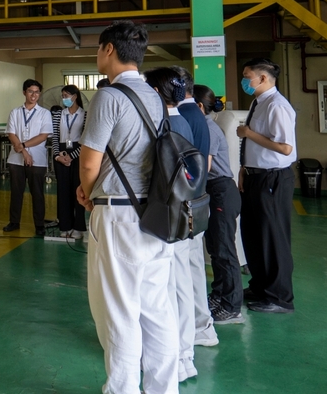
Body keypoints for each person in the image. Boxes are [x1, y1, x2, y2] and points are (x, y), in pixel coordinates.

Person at [77, 21, 179, 394]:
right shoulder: (155, 96)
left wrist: (88, 194)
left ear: (108, 50)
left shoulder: (109, 97)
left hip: (118, 214)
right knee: (156, 310)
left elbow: (89, 163)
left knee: (118, 313)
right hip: (154, 214)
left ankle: (121, 390)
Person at [143, 67, 203, 382]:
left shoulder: (166, 125)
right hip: (184, 212)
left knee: (172, 289)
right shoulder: (187, 119)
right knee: (181, 284)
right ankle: (184, 354)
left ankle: (179, 357)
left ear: (154, 92)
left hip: (172, 215)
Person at [237, 58, 297, 313]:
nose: (244, 81)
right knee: (253, 234)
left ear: (262, 78)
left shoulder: (277, 106)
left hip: (272, 178)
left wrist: (249, 134)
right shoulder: (258, 102)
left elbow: (285, 148)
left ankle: (279, 297)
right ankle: (260, 286)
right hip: (254, 176)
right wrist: (243, 168)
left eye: (247, 76)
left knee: (273, 237)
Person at [172, 67, 219, 349]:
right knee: (193, 268)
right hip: (197, 200)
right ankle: (203, 326)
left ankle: (191, 333)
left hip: (184, 203)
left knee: (183, 272)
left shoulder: (182, 117)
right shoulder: (196, 115)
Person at [194, 84, 245, 325]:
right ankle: (219, 294)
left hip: (221, 191)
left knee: (225, 250)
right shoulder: (203, 126)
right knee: (214, 247)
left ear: (199, 106)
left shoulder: (208, 129)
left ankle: (232, 305)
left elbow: (204, 166)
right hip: (214, 191)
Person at [4, 79, 52, 236]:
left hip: (37, 159)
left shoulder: (44, 113)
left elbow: (43, 136)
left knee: (37, 193)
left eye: (37, 92)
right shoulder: (15, 112)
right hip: (16, 159)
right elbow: (11, 133)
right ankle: (14, 222)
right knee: (16, 192)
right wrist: (23, 151)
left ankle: (39, 225)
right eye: (31, 91)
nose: (34, 95)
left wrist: (23, 146)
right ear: (24, 92)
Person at [51, 85, 87, 240]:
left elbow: (86, 139)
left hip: (78, 154)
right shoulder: (59, 114)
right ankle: (65, 226)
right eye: (62, 95)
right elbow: (54, 137)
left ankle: (79, 227)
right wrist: (58, 156)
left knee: (77, 190)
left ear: (75, 96)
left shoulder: (85, 115)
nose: (64, 98)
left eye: (66, 95)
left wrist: (72, 156)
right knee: (63, 191)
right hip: (61, 152)